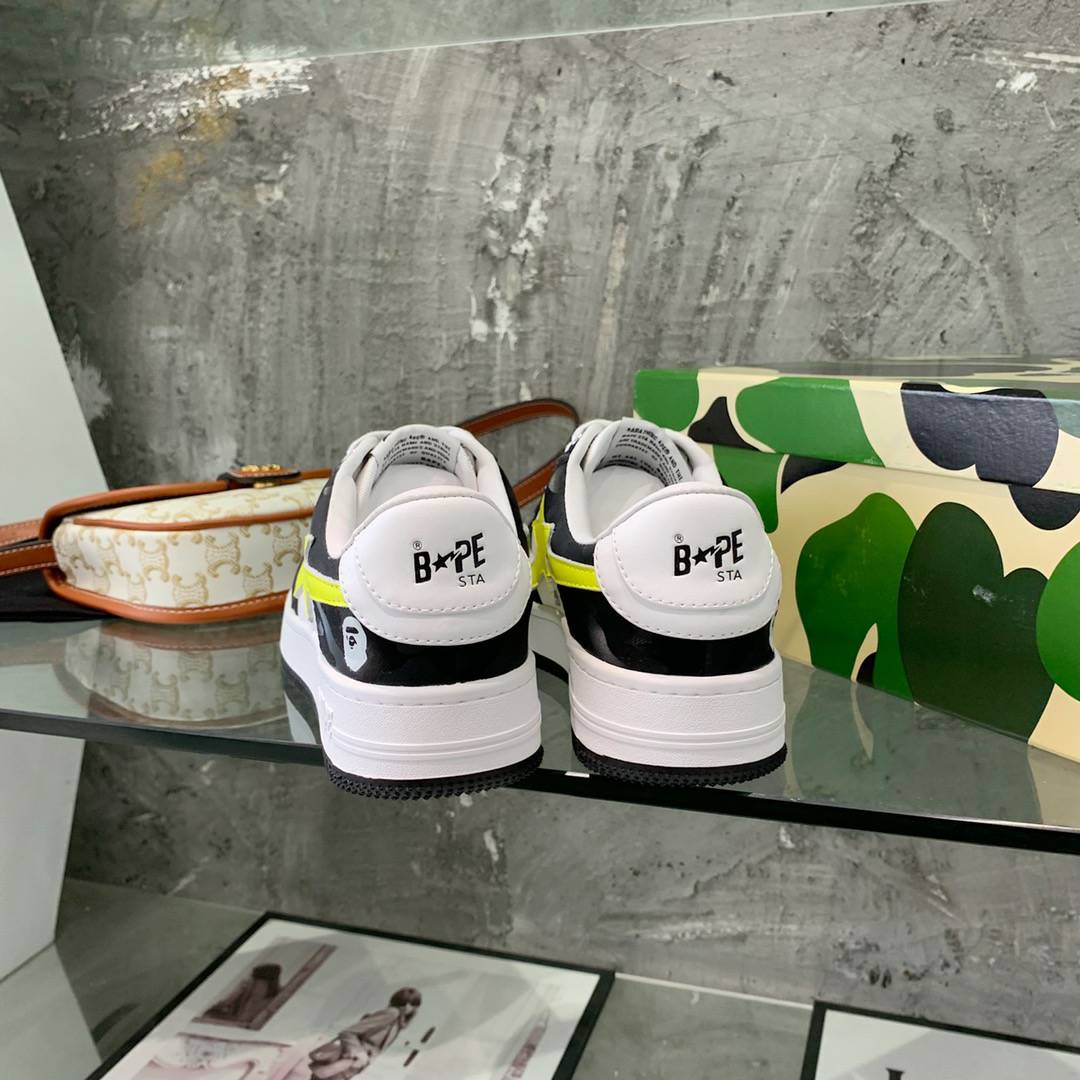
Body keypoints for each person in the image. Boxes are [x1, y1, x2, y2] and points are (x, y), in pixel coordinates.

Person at [306, 988, 423, 1079]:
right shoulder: (392, 1013)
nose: (415, 1011)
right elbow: (348, 1032)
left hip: (351, 1064)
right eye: (415, 1006)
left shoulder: (397, 1021)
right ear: (408, 1005)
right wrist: (359, 1053)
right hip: (345, 1060)